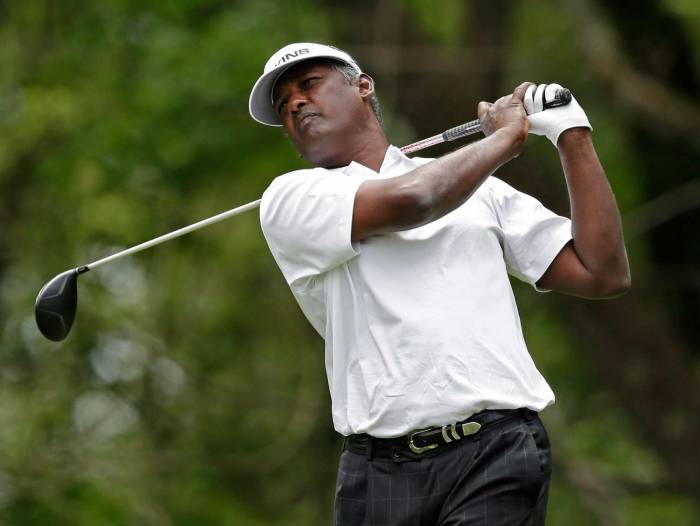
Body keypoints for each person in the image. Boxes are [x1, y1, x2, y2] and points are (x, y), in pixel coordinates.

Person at [248, 42, 630, 526]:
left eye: (308, 85)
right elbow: (416, 200)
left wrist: (571, 134)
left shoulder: (479, 189)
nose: (296, 103)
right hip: (377, 472)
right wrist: (506, 138)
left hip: (496, 451)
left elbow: (602, 272)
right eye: (283, 104)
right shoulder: (290, 199)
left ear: (362, 86)